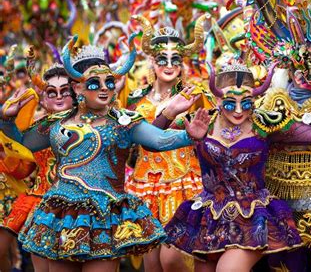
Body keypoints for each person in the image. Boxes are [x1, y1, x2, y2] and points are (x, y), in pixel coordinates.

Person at [0, 35, 210, 271]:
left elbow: (158, 140)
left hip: (104, 218)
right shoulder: (57, 123)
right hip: (61, 217)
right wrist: (7, 119)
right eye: (94, 84)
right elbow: (23, 144)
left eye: (109, 83)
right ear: (77, 87)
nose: (104, 89)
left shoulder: (123, 121)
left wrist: (189, 135)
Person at [163, 58, 311, 272]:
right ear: (217, 100)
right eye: (231, 102)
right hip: (209, 217)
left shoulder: (263, 122)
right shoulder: (202, 123)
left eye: (247, 102)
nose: (240, 110)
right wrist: (170, 115)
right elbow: (151, 141)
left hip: (250, 217)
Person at [126, 15, 210, 272]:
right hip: (145, 186)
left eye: (176, 59)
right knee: (152, 265)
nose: (169, 64)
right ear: (152, 61)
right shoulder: (135, 98)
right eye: (163, 58)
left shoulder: (194, 95)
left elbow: (208, 136)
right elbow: (134, 143)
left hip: (185, 181)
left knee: (172, 258)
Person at [0, 45, 74, 272]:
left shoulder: (87, 124)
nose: (59, 97)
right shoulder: (39, 129)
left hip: (78, 205)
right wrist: (6, 122)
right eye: (52, 92)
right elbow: (22, 152)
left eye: (65, 91)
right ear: (44, 99)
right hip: (40, 202)